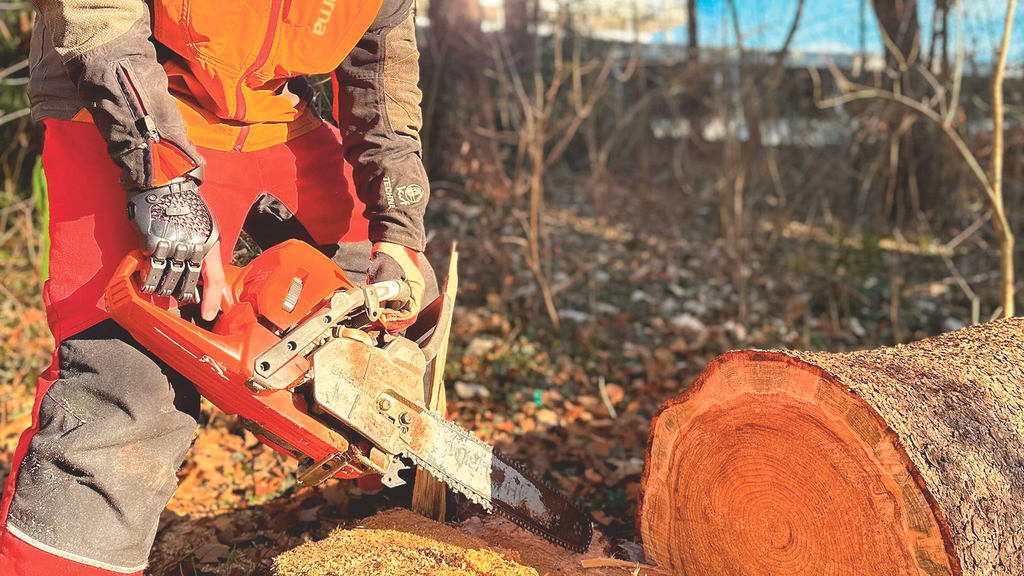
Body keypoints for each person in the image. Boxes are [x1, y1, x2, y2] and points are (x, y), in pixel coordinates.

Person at [0, 1, 438, 573]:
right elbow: (94, 14)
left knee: (388, 319)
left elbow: (381, 66)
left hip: (275, 115)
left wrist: (399, 229)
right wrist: (162, 177)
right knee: (128, 390)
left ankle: (387, 528)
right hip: (124, 102)